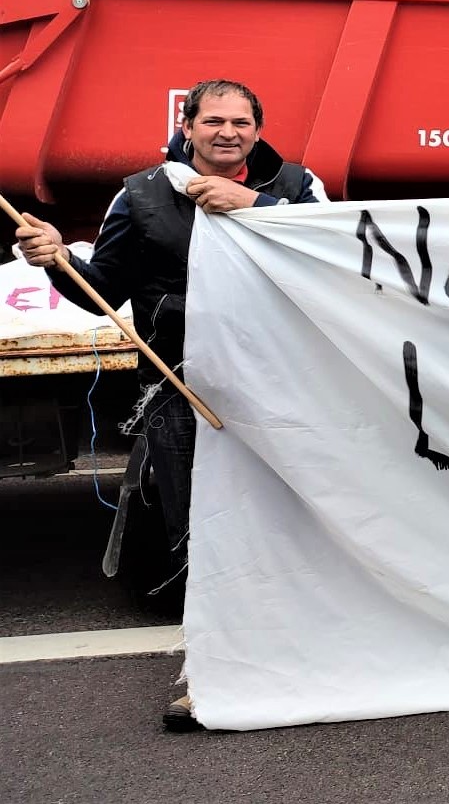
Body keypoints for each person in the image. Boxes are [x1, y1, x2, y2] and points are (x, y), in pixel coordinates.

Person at [11, 79, 324, 732]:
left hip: (280, 384)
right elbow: (103, 288)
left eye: (241, 121)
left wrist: (256, 205)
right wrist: (55, 259)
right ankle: (208, 667)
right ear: (187, 123)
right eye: (213, 119)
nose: (227, 131)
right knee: (199, 528)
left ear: (258, 130)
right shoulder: (142, 194)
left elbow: (340, 259)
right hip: (180, 391)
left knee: (292, 519)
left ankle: (303, 652)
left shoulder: (298, 188)